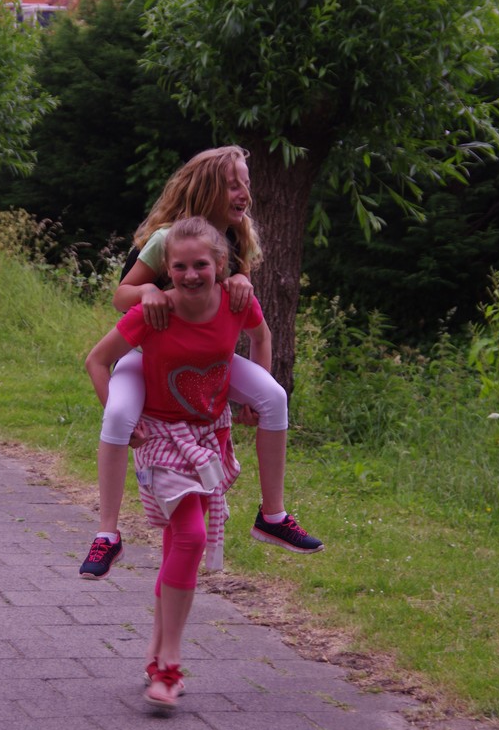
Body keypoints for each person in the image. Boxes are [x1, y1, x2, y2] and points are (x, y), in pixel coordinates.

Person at [80, 146, 323, 580]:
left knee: (273, 397)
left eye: (246, 183)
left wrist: (242, 278)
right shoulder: (167, 238)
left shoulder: (234, 236)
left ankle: (272, 514)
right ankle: (107, 534)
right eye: (232, 184)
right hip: (146, 352)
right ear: (207, 189)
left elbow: (246, 316)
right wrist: (148, 291)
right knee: (117, 415)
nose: (244, 192)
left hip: (206, 355)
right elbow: (121, 296)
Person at [85, 217, 289, 709]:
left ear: (221, 265)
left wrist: (252, 399)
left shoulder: (237, 302)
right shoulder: (154, 311)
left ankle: (156, 656)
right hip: (160, 436)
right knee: (191, 537)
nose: (190, 275)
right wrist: (125, 420)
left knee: (180, 543)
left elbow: (261, 338)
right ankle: (170, 666)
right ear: (166, 269)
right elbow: (97, 359)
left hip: (208, 435)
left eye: (200, 265)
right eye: (179, 267)